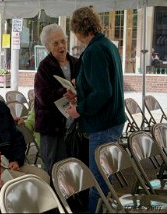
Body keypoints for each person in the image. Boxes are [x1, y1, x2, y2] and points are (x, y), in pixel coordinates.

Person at [66, 6, 127, 213]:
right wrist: (80, 91)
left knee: (98, 184)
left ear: (77, 30)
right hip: (111, 121)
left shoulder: (94, 50)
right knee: (104, 180)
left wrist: (80, 108)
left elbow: (102, 92)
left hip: (103, 124)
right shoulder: (106, 45)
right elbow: (103, 85)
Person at [34, 23, 80, 175]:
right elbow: (42, 96)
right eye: (56, 43)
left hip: (74, 125)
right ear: (47, 46)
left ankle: (73, 198)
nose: (61, 46)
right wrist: (64, 91)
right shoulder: (44, 67)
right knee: (54, 167)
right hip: (52, 126)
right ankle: (55, 198)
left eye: (63, 41)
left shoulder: (76, 63)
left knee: (73, 166)